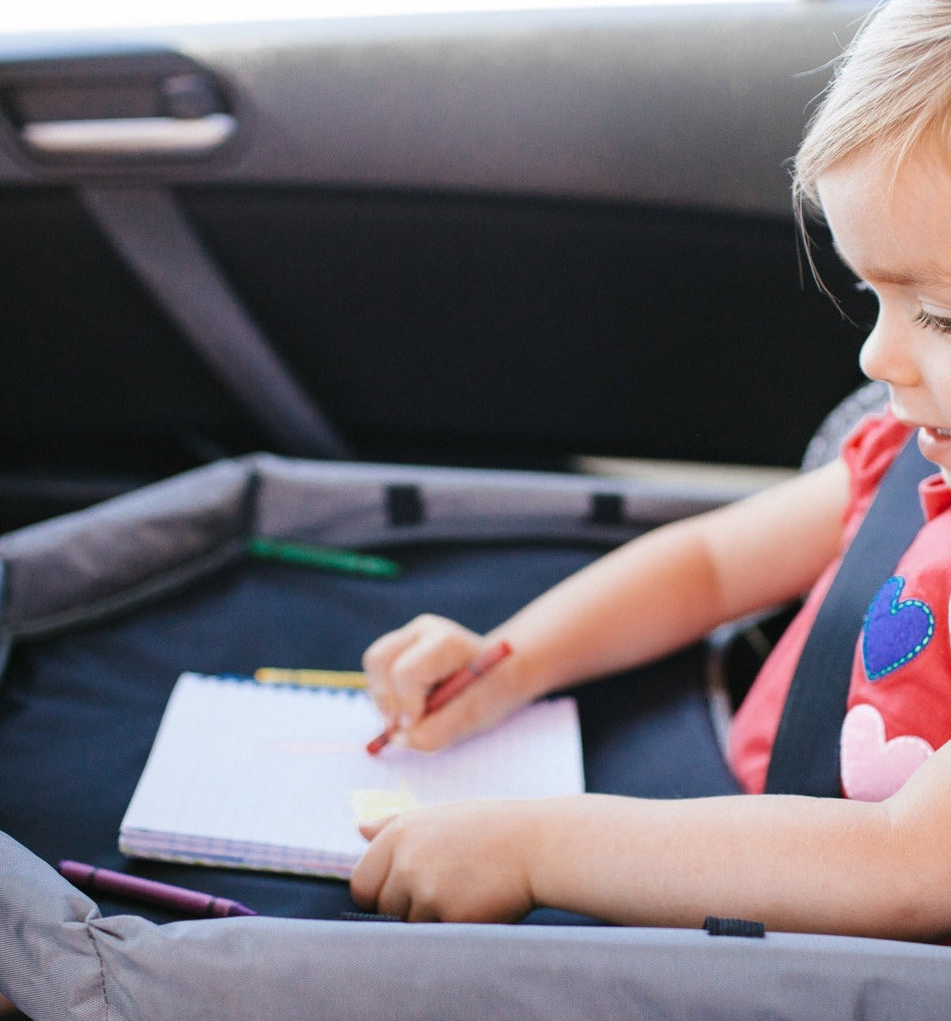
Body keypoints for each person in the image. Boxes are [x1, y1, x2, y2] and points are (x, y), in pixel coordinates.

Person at [351, 0, 951, 940]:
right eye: (873, 294)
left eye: (942, 316)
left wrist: (535, 849)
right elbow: (710, 564)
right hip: (721, 828)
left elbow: (907, 865)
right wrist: (509, 665)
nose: (877, 358)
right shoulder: (913, 459)